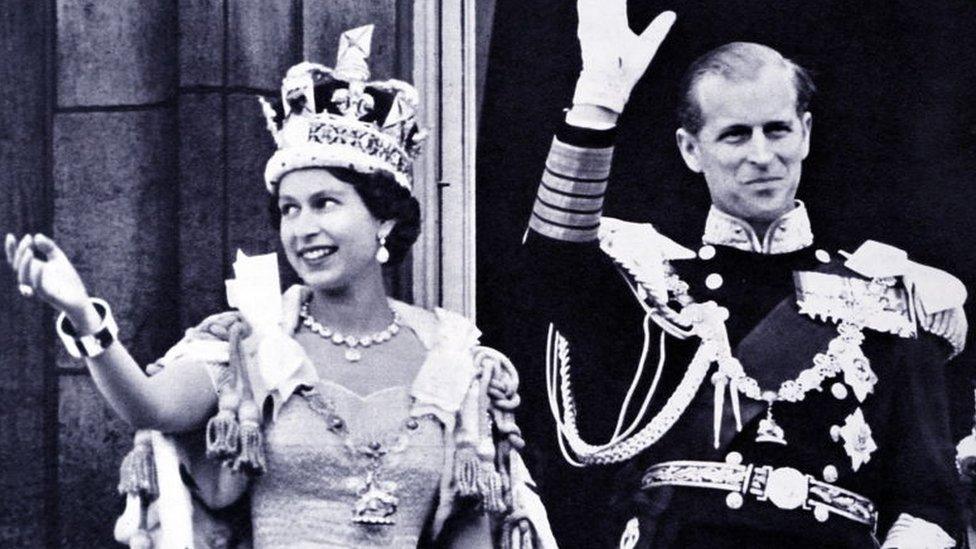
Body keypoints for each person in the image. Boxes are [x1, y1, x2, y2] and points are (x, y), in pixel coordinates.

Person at [5, 25, 553, 549]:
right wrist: (83, 316)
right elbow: (151, 407)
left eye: (326, 204)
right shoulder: (253, 343)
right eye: (289, 209)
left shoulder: (450, 356)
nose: (303, 228)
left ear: (383, 220)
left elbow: (467, 532)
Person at [517, 1, 969, 547]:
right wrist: (596, 105)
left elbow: (928, 504)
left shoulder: (884, 300)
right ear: (691, 149)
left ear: (804, 134)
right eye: (735, 135)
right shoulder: (656, 290)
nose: (762, 155)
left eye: (776, 130)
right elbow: (551, 272)